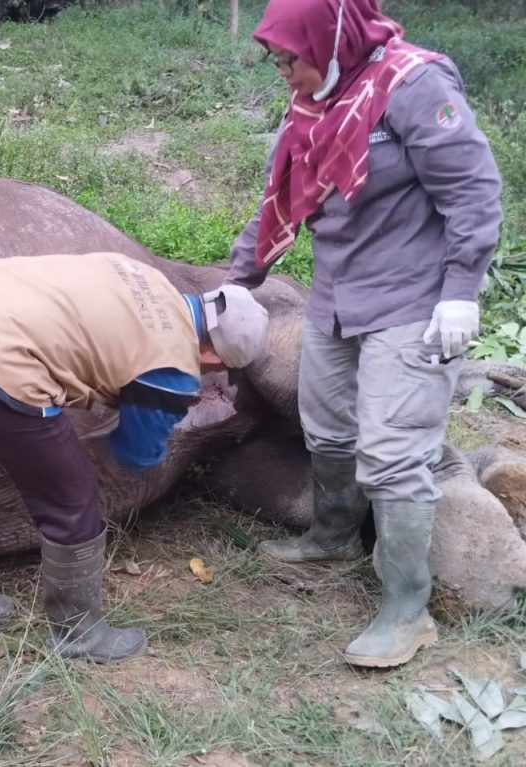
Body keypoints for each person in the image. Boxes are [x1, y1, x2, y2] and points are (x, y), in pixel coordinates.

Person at [225, 0, 503, 668]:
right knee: (326, 425)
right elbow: (279, 203)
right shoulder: (314, 105)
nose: (285, 72)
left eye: (292, 58)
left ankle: (408, 609)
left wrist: (462, 290)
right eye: (278, 61)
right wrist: (237, 279)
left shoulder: (414, 85)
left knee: (392, 451)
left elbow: (473, 191)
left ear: (333, 37)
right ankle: (333, 533)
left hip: (413, 300)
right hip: (339, 296)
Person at [0, 252, 269, 663]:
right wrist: (161, 412)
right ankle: (79, 636)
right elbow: (136, 454)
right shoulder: (173, 365)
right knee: (73, 502)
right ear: (216, 358)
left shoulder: (145, 276)